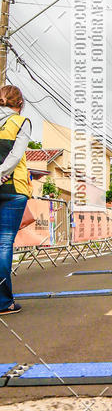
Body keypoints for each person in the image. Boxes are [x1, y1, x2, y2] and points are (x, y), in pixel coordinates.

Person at [0, 85, 32, 315]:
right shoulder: (21, 122)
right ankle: (3, 302)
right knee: (3, 243)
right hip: (13, 188)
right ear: (19, 104)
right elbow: (15, 156)